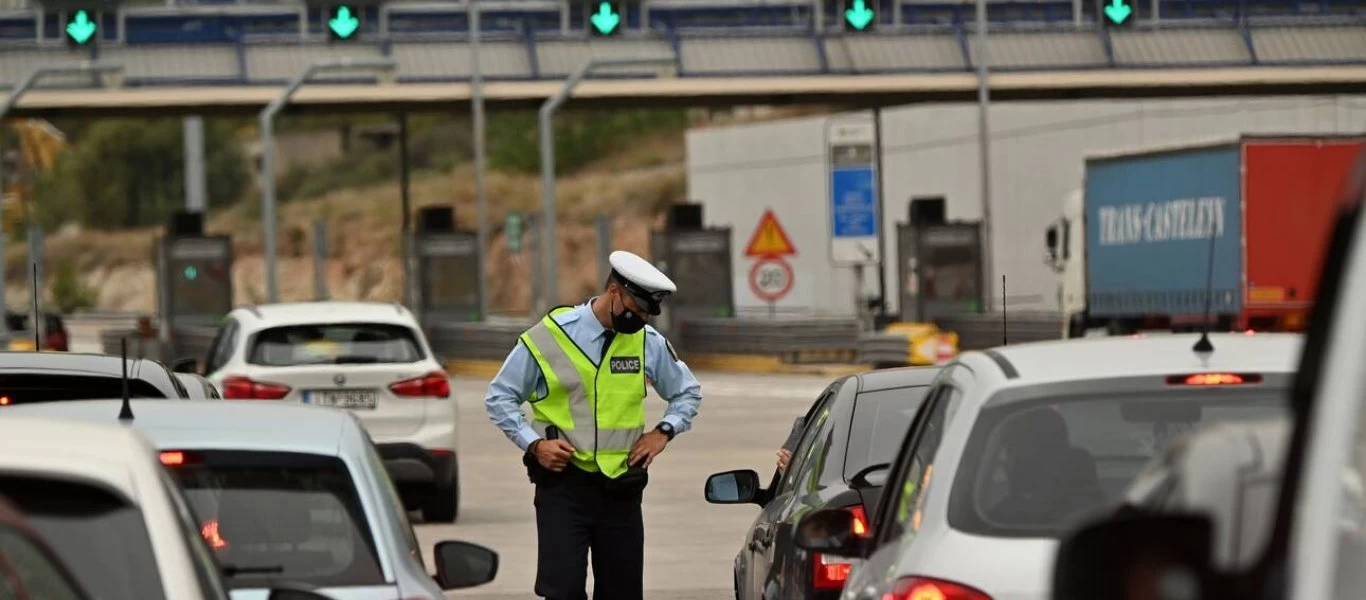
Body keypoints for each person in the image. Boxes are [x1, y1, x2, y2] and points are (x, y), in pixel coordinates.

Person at [484, 250, 703, 600]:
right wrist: (534, 445)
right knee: (563, 591)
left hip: (622, 489)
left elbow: (688, 392)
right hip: (564, 488)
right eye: (636, 310)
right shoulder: (549, 336)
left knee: (622, 593)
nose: (641, 320)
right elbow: (499, 397)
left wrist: (664, 432)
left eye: (647, 314)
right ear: (614, 292)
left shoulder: (647, 341)